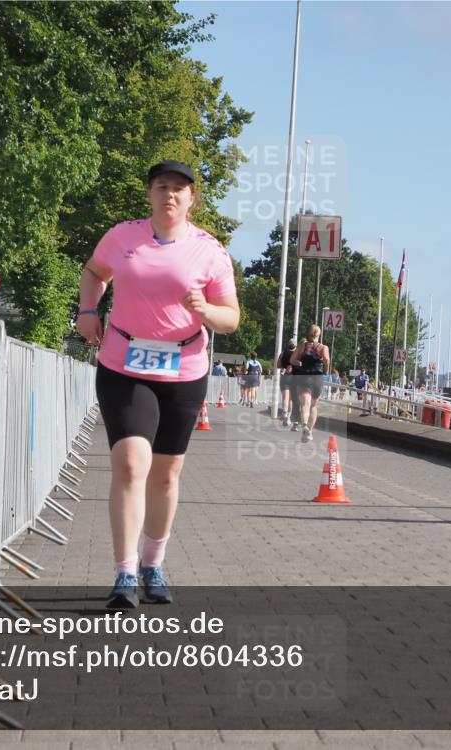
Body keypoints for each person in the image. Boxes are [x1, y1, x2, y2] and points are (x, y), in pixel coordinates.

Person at [75, 160, 240, 607]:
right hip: (125, 363)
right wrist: (88, 310)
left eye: (179, 189)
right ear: (149, 193)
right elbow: (94, 272)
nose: (170, 194)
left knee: (166, 476)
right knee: (130, 464)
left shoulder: (210, 250)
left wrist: (206, 312)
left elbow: (231, 316)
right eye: (161, 186)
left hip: (183, 369)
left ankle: (153, 563)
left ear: (192, 199)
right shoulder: (123, 236)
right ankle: (125, 573)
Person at [290, 325, 331, 443]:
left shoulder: (302, 346)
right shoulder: (323, 347)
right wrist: (326, 371)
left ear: (308, 334)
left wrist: (299, 363)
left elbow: (292, 360)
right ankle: (310, 431)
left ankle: (304, 426)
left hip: (304, 378)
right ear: (319, 334)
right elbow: (327, 360)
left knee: (304, 405)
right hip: (317, 379)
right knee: (313, 406)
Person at [276, 339, 297, 426]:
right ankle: (288, 418)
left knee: (285, 397)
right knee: (291, 399)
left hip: (285, 376)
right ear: (295, 346)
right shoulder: (297, 354)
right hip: (294, 377)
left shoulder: (283, 353)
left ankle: (284, 411)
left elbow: (278, 365)